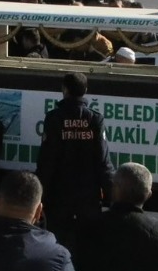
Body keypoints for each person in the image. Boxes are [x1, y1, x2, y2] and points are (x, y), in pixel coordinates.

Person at [35, 71, 112, 250]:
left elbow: (47, 160)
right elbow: (103, 160)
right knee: (88, 246)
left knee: (56, 245)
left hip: (58, 196)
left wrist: (39, 194)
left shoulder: (54, 118)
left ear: (64, 89)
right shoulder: (95, 119)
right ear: (85, 90)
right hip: (88, 197)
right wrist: (112, 194)